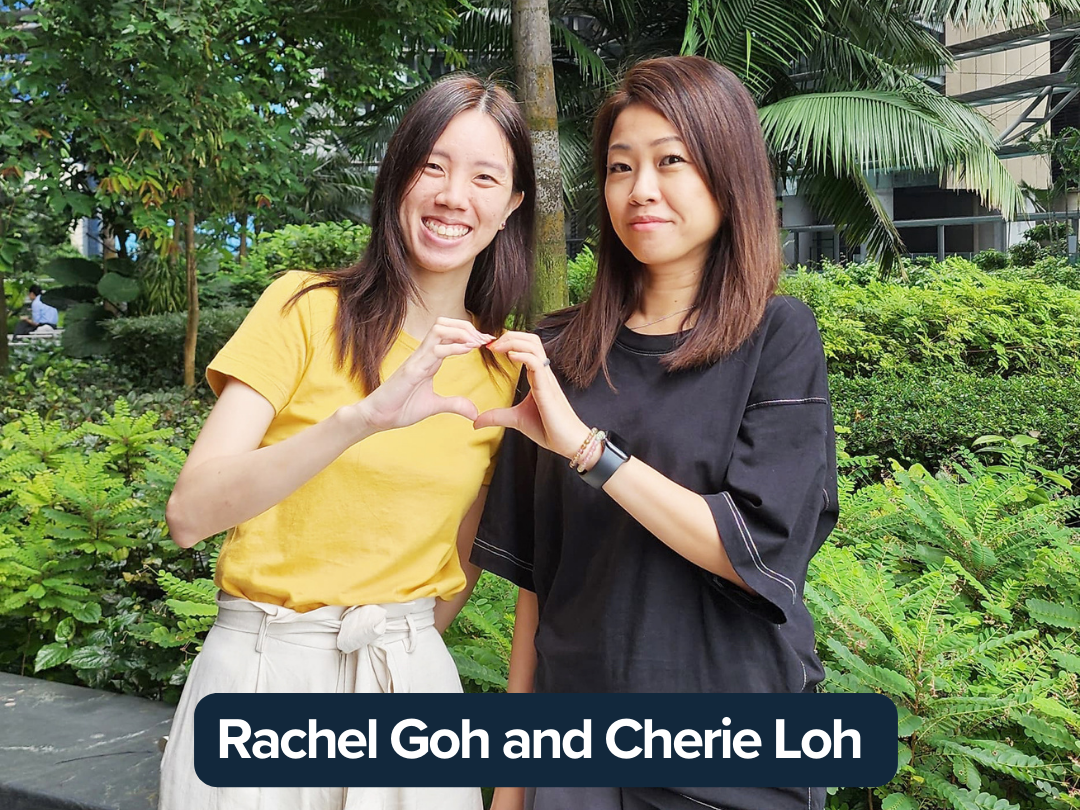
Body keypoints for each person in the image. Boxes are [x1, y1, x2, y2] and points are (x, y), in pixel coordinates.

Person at [158, 74, 536, 810]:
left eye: (485, 176)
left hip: (410, 688)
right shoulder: (304, 310)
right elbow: (190, 512)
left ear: (510, 206)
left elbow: (461, 562)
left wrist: (404, 648)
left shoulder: (499, 374)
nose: (453, 195)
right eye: (432, 164)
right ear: (397, 175)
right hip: (265, 674)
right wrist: (357, 421)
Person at [472, 56, 838, 810]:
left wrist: (587, 450)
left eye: (671, 161)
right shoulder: (556, 352)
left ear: (727, 174)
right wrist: (512, 790)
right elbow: (540, 596)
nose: (641, 189)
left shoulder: (778, 337)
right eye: (619, 167)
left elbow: (755, 554)